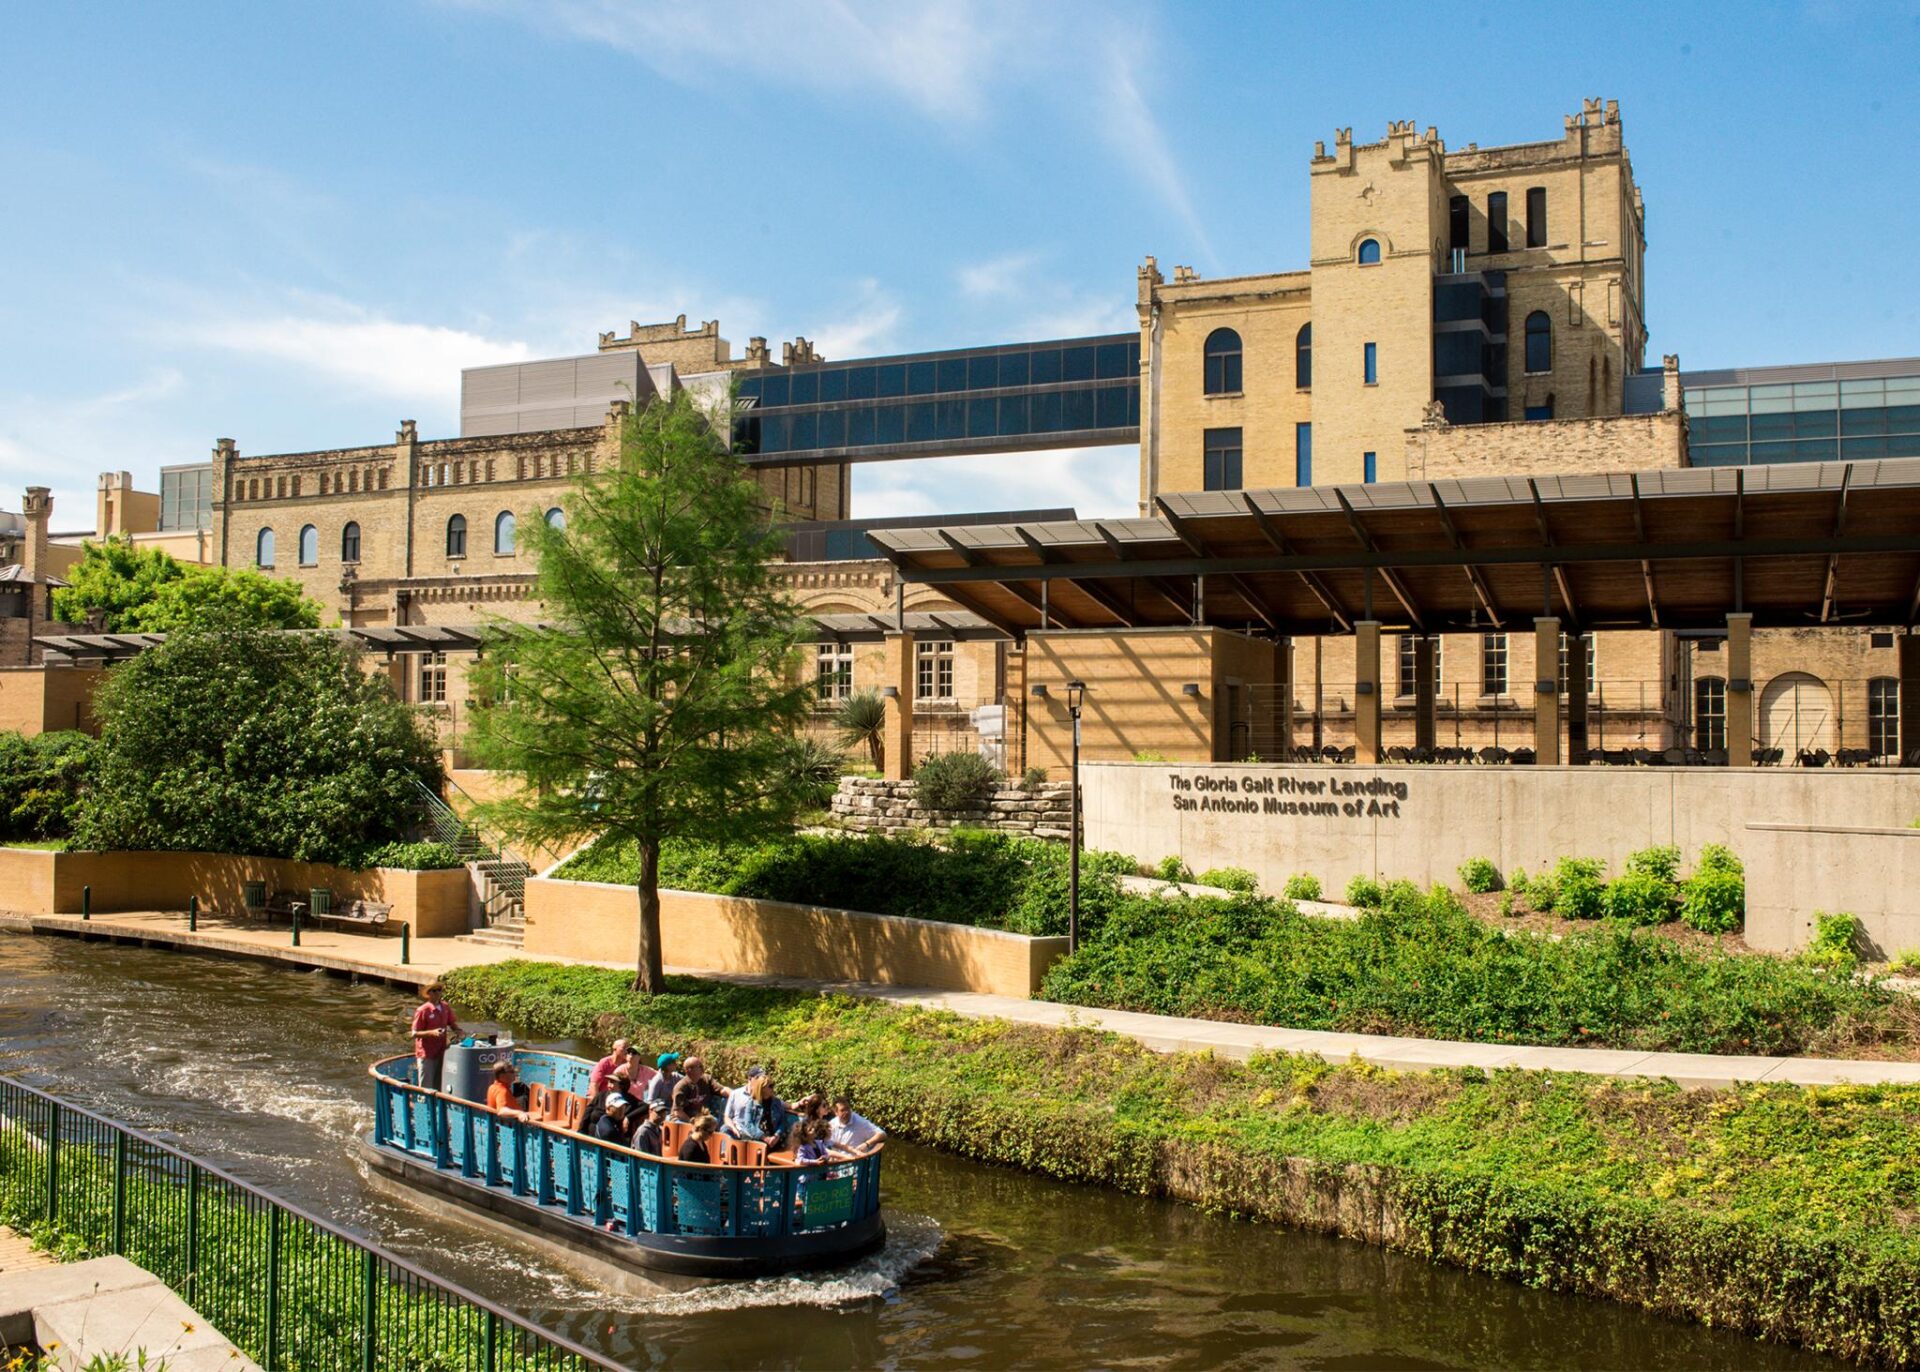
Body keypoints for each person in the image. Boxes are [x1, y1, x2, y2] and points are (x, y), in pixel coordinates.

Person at [409, 984, 458, 1092]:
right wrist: (432, 1033)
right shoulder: (423, 1010)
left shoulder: (445, 1007)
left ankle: (438, 1107)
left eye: (439, 990)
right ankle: (425, 1107)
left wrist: (459, 1031)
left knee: (440, 1084)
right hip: (427, 1054)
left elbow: (452, 1023)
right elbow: (414, 1033)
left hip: (442, 1052)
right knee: (426, 1086)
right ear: (428, 993)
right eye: (434, 991)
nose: (437, 993)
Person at [723, 1066, 766, 1138]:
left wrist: (790, 1106)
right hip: (737, 1128)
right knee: (725, 1129)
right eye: (757, 1078)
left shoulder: (764, 1094)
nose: (760, 1081)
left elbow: (778, 1102)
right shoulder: (736, 1093)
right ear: (750, 1079)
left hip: (753, 1130)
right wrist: (734, 1129)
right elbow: (727, 1117)